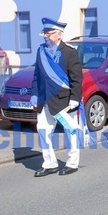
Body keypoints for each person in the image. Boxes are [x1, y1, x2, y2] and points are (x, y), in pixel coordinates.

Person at [31, 18, 83, 177]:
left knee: (70, 132)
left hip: (64, 101)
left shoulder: (69, 52)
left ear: (59, 35)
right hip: (44, 100)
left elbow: (76, 78)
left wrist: (75, 98)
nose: (46, 36)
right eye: (45, 33)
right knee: (43, 131)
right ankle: (50, 164)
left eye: (49, 33)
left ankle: (72, 163)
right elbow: (37, 76)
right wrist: (34, 94)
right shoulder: (41, 51)